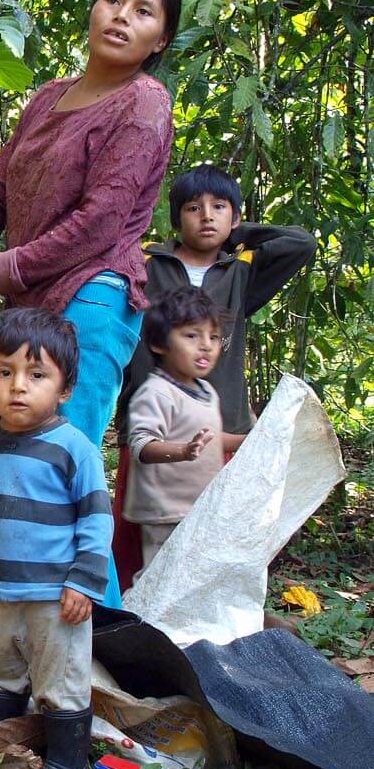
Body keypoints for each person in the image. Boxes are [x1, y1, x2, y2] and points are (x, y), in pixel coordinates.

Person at [0, 0, 182, 610]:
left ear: (159, 39)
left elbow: (99, 221)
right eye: (113, 0)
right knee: (17, 475)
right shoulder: (48, 96)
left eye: (142, 11)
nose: (121, 16)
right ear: (92, 8)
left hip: (92, 296)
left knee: (58, 480)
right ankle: (25, 649)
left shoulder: (143, 103)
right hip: (29, 308)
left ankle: (98, 654)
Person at [111, 164, 318, 587]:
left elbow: (301, 243)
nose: (206, 216)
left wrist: (240, 234)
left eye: (219, 207)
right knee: (142, 533)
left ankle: (210, 626)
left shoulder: (241, 272)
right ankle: (131, 622)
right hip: (155, 423)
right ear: (176, 219)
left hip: (222, 426)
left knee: (216, 534)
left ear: (234, 216)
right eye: (193, 208)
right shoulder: (148, 263)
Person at [0, 309, 112, 769]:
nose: (19, 386)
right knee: (0, 669)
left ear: (63, 389)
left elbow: (97, 519)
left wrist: (84, 580)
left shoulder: (73, 447)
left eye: (36, 375)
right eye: (5, 372)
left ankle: (67, 765)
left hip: (55, 596)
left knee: (59, 677)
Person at [122, 290, 244, 577]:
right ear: (158, 343)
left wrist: (250, 439)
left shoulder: (207, 392)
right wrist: (182, 451)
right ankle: (146, 620)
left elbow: (211, 439)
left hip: (198, 507)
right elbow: (141, 445)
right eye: (192, 336)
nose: (205, 346)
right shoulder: (156, 393)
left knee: (191, 577)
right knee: (161, 576)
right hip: (164, 510)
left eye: (213, 337)